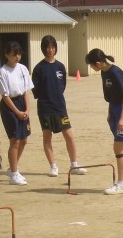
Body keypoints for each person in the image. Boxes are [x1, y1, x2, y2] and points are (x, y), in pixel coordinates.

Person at [85, 48, 123, 194]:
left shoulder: (115, 72)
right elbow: (111, 96)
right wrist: (110, 114)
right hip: (115, 109)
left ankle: (121, 183)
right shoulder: (104, 73)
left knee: (119, 148)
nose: (91, 68)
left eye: (91, 65)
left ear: (98, 63)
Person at [32, 35, 87, 177]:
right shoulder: (38, 68)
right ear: (43, 49)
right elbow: (35, 91)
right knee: (47, 136)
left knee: (69, 135)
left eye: (52, 47)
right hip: (45, 108)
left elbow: (62, 86)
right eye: (48, 47)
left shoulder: (60, 67)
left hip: (60, 107)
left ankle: (74, 165)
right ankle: (53, 166)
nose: (50, 50)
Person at [0, 41, 34, 186]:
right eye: (14, 55)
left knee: (24, 139)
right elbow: (5, 96)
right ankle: (14, 173)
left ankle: (13, 167)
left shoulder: (23, 69)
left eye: (19, 54)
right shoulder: (3, 72)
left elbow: (26, 91)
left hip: (22, 103)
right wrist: (17, 112)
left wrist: (27, 110)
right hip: (10, 106)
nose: (17, 57)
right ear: (7, 55)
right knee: (15, 140)